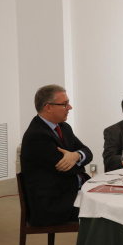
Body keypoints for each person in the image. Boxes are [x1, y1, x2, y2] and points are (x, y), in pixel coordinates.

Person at [20, 85, 93, 226]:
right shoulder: (36, 135)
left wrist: (76, 156)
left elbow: (87, 151)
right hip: (53, 204)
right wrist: (77, 159)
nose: (70, 107)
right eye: (65, 104)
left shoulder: (63, 127)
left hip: (71, 192)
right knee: (106, 213)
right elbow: (66, 168)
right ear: (48, 107)